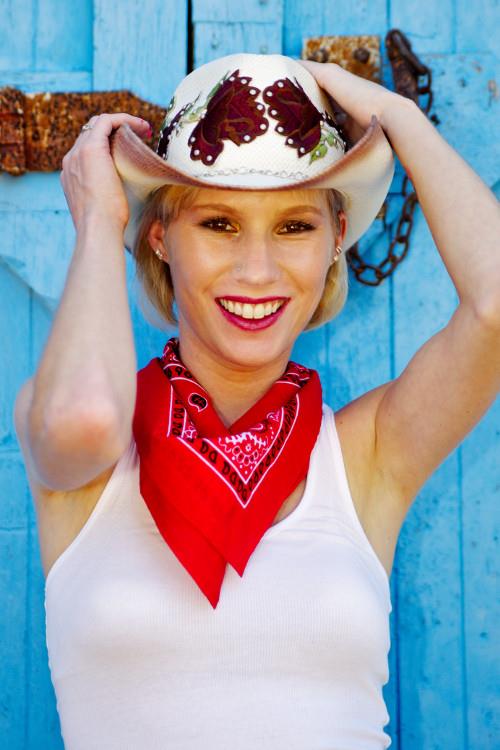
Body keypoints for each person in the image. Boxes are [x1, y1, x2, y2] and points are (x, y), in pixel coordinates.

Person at [13, 52, 499, 749]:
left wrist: (396, 117)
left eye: (295, 226)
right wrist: (98, 220)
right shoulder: (84, 449)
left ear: (336, 240)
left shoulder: (366, 457)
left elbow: (495, 309)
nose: (257, 269)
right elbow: (86, 416)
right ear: (160, 236)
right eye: (218, 224)